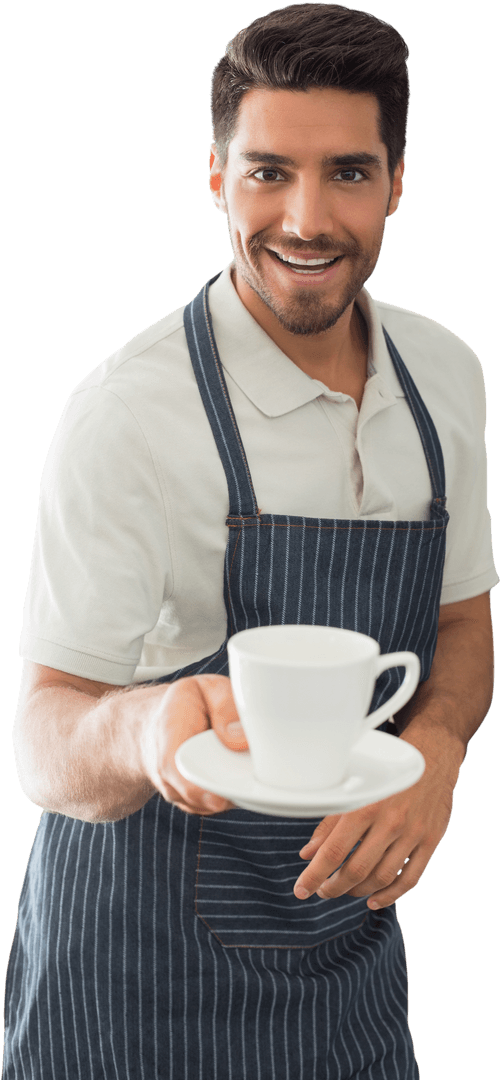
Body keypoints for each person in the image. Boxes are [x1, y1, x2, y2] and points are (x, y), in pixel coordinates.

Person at [4, 3, 497, 1078]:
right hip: (132, 988)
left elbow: (462, 617)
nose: (307, 218)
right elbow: (43, 737)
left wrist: (439, 751)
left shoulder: (446, 379)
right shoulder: (128, 413)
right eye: (269, 172)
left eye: (349, 174)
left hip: (348, 964)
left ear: (398, 181)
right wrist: (146, 732)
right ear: (218, 177)